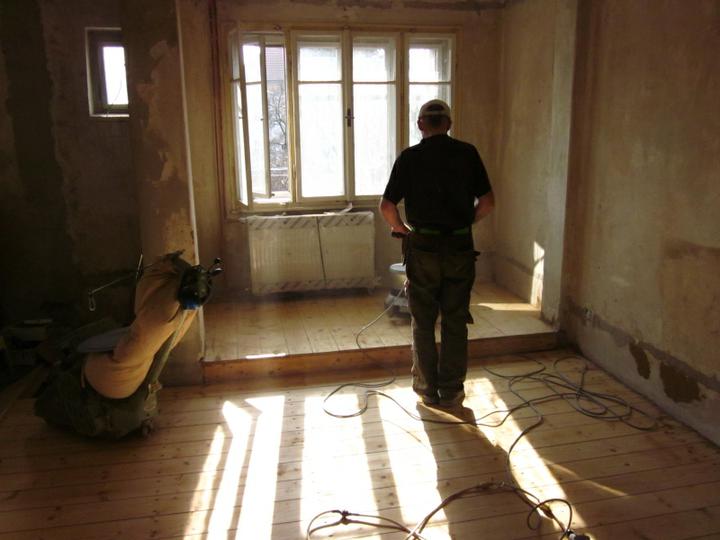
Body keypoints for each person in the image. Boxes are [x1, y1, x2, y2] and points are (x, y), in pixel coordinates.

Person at [379, 99, 494, 407]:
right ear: (449, 124)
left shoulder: (409, 158)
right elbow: (488, 202)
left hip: (423, 248)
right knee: (455, 320)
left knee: (423, 321)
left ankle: (427, 390)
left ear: (420, 125)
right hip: (459, 247)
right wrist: (464, 223)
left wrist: (403, 229)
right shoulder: (467, 154)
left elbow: (387, 206)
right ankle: (452, 390)